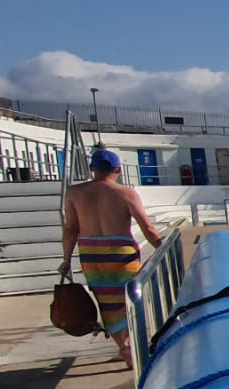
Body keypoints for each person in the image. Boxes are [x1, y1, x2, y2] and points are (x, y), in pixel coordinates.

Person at [61, 150, 163, 366]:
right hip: (121, 253)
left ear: (92, 168)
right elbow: (148, 227)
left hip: (91, 253)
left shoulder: (74, 193)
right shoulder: (125, 193)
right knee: (127, 301)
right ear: (117, 169)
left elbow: (70, 228)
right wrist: (162, 248)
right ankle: (128, 347)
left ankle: (123, 347)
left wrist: (66, 259)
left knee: (107, 303)